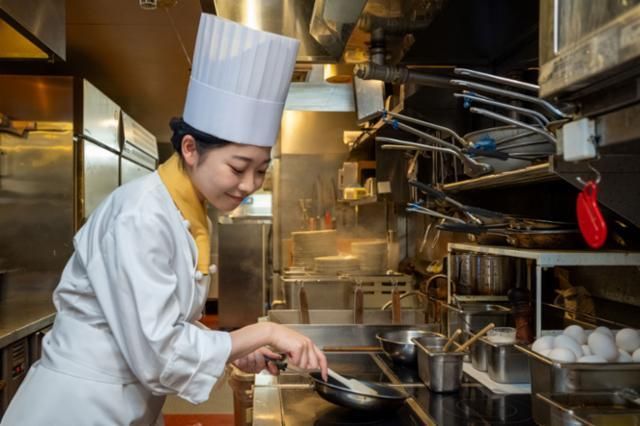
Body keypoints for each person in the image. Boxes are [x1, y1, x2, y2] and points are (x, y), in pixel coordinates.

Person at [1, 14, 327, 426]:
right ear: (190, 149)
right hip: (76, 410)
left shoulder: (186, 212)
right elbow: (159, 353)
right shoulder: (140, 215)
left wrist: (234, 349)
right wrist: (264, 332)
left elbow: (161, 324)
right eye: (238, 167)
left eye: (261, 170)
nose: (249, 185)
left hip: (122, 407)